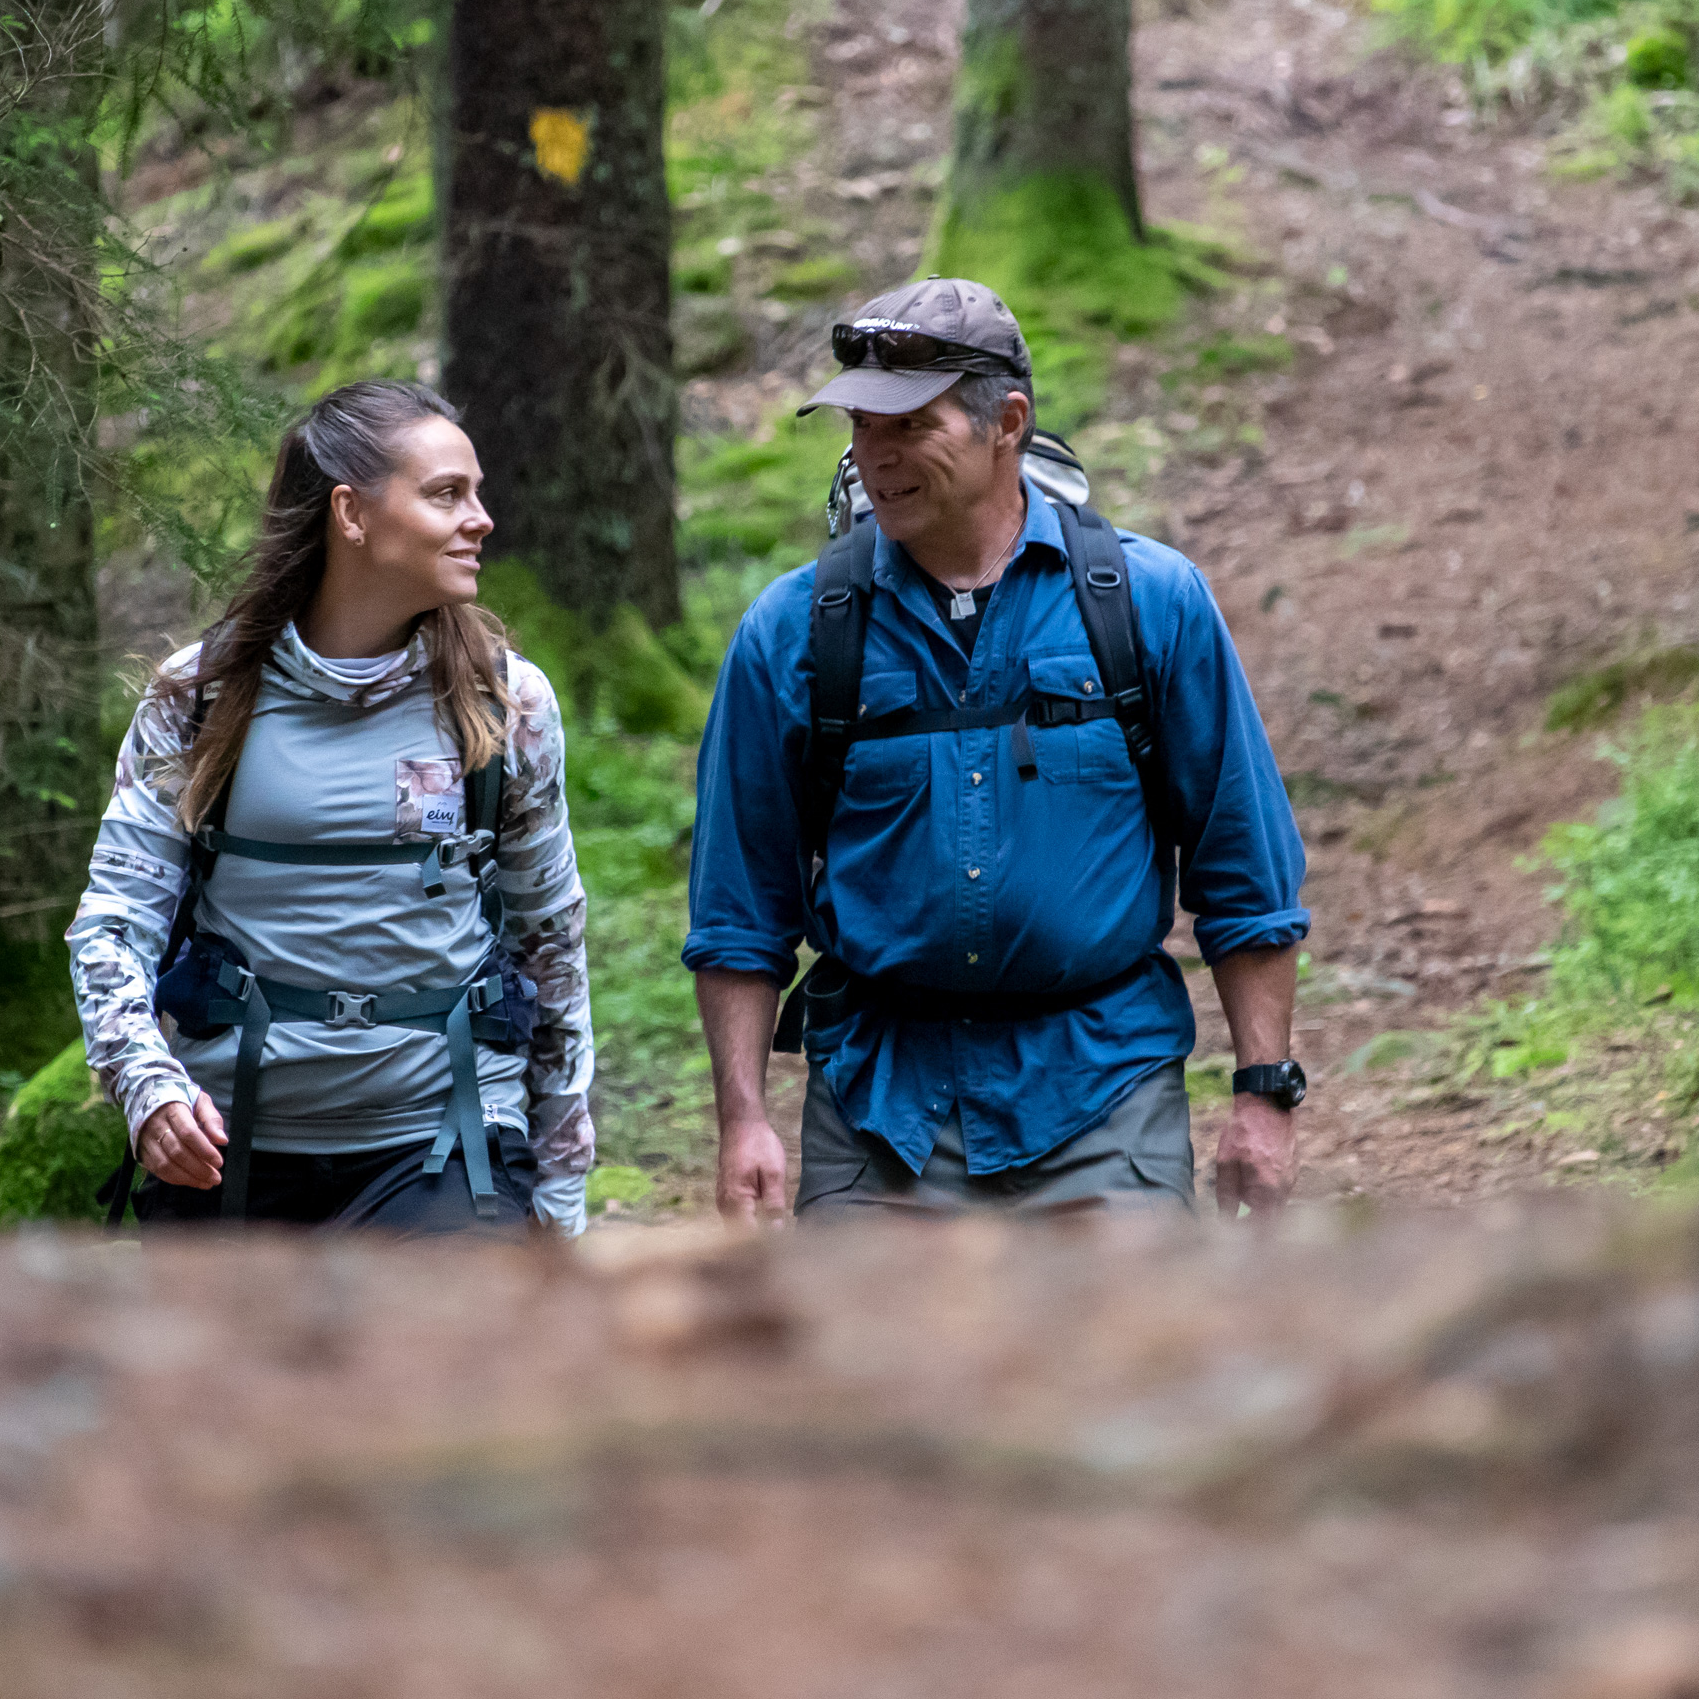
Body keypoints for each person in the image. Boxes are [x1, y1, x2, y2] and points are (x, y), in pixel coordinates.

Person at [684, 278, 1308, 1221]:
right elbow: (740, 905)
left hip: (1104, 1094)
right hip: (879, 1112)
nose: (876, 455)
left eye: (911, 425)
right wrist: (744, 1121)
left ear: (1007, 422)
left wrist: (1264, 1096)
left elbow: (1244, 871)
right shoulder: (794, 631)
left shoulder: (1148, 602)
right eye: (861, 426)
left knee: (1132, 1325)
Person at [66, 380, 594, 1234]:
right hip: (226, 1147)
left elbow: (552, 944)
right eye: (447, 494)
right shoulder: (196, 697)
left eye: (477, 493)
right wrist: (146, 1086)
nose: (482, 519)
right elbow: (115, 921)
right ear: (351, 514)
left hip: (446, 1143)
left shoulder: (506, 703)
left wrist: (563, 1190)